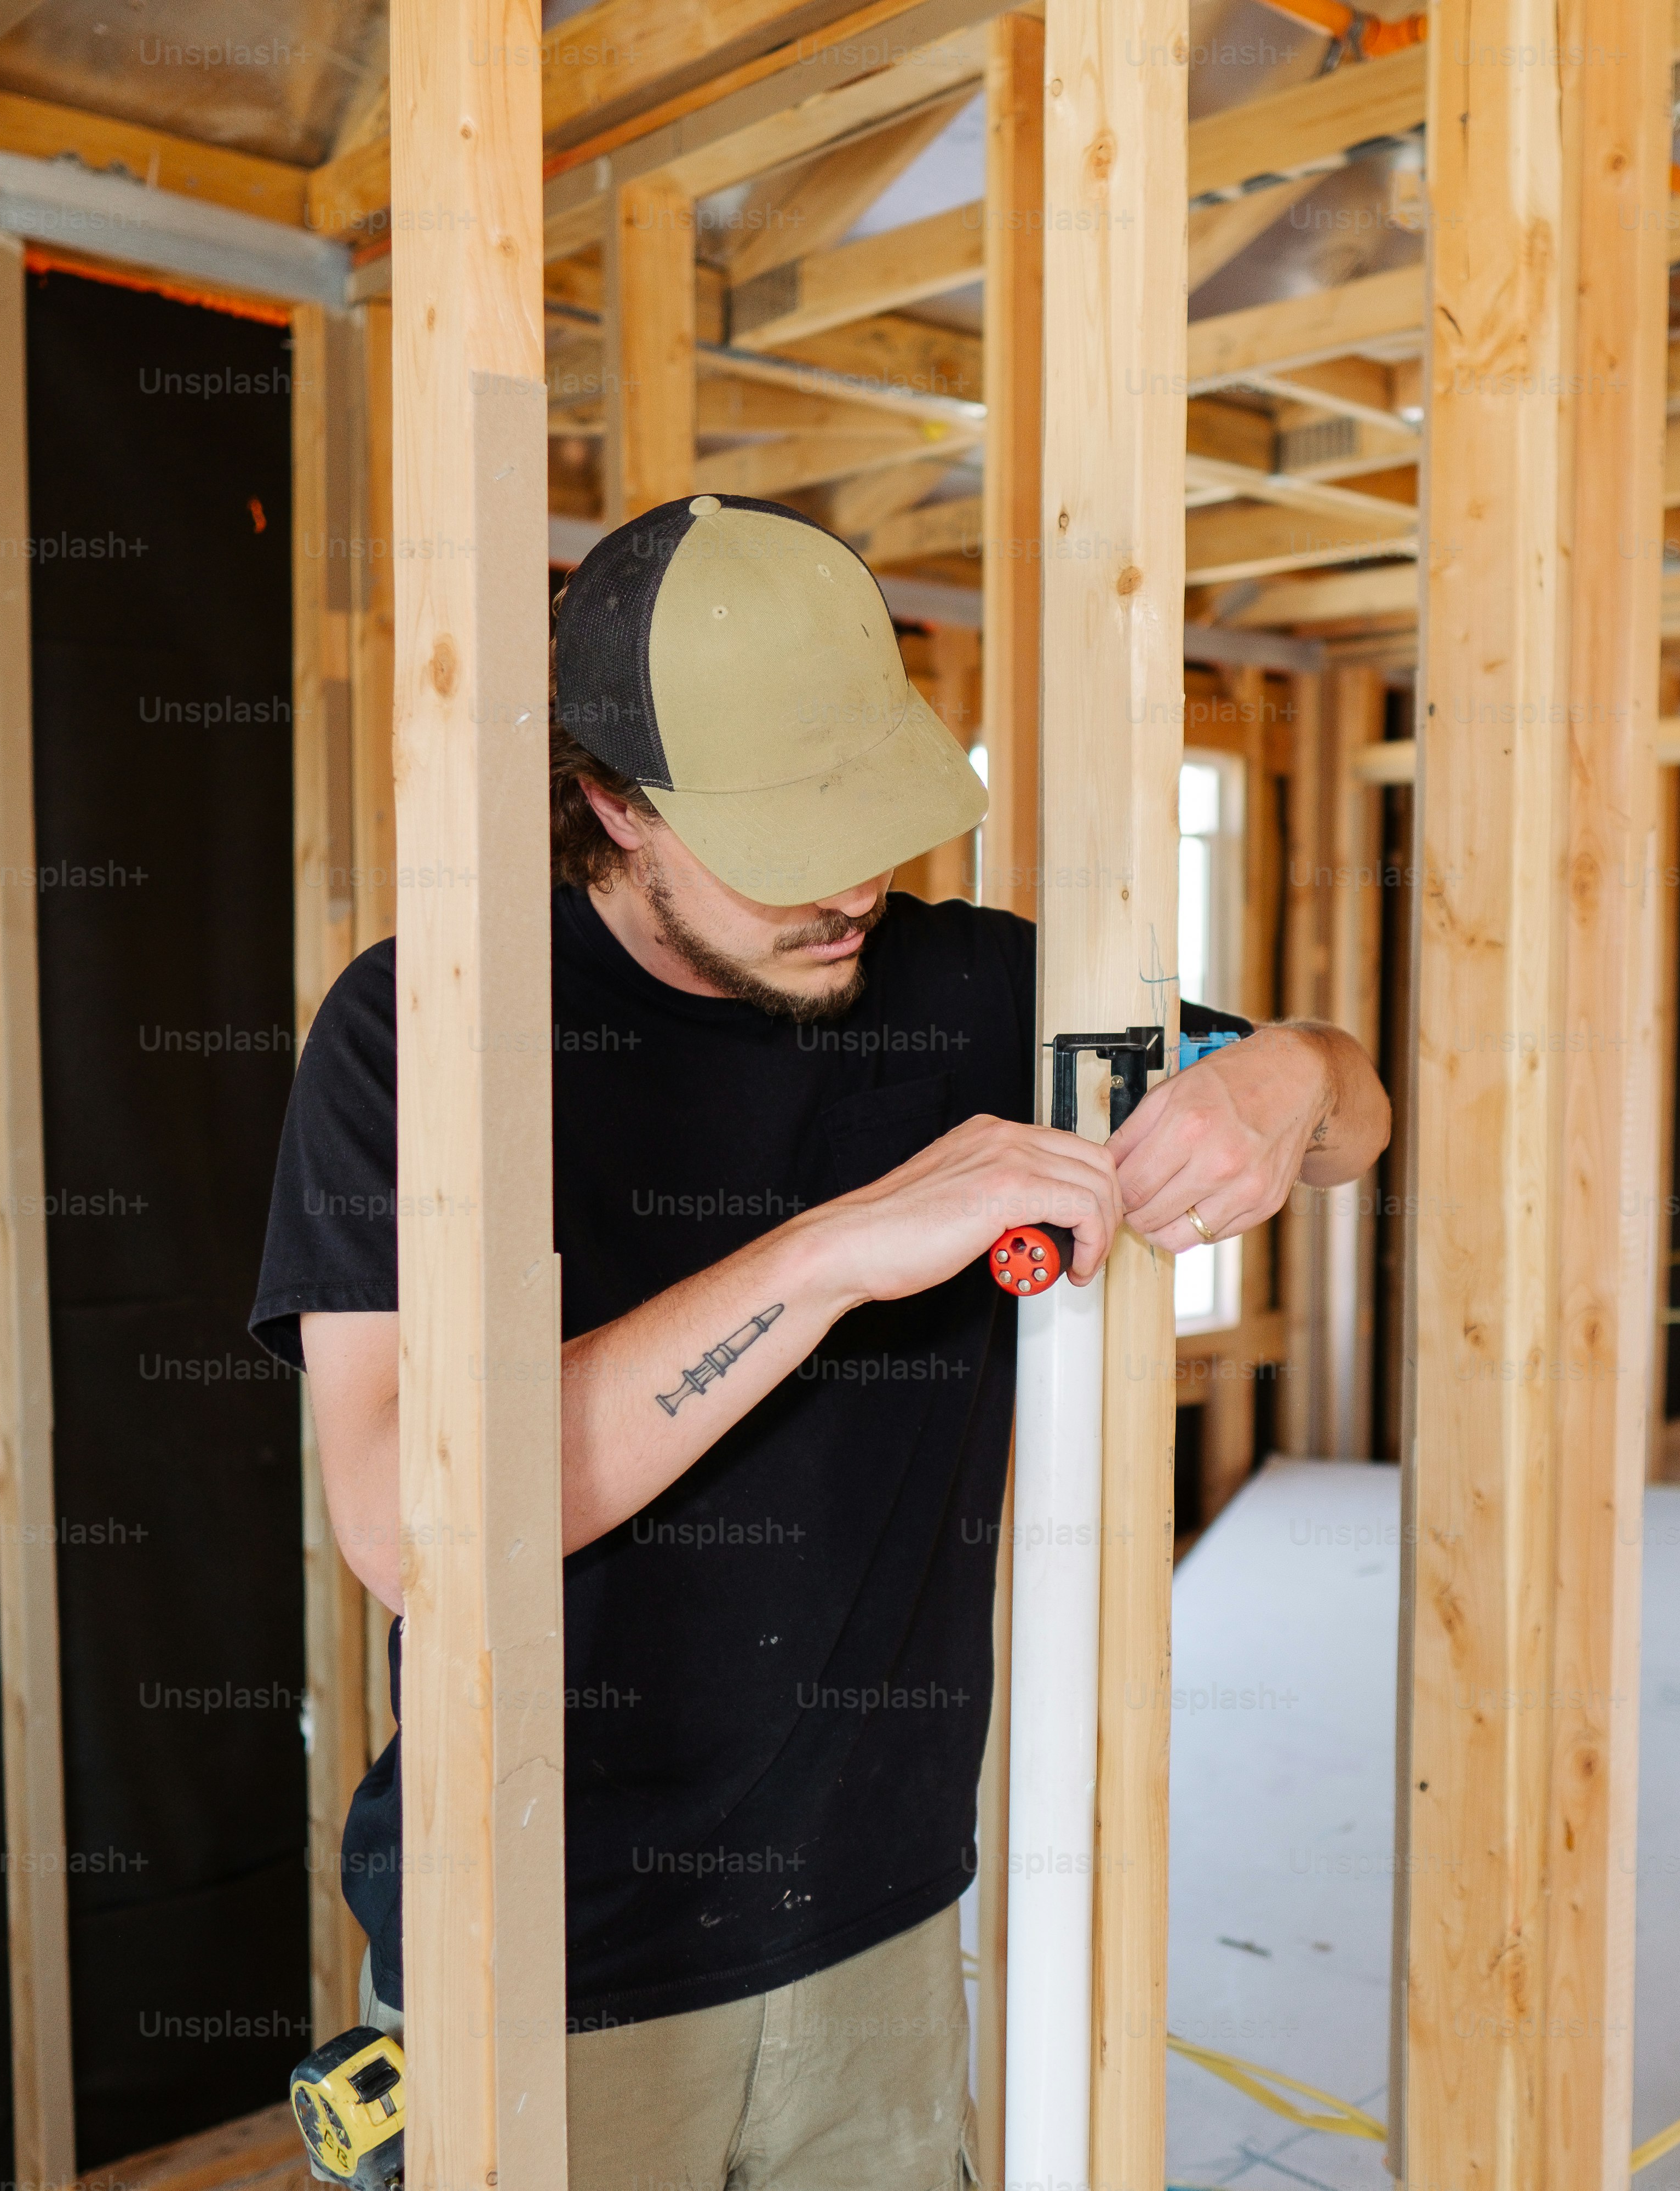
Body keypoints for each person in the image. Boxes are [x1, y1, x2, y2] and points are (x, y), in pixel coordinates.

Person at [249, 492, 1387, 2191]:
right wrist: (847, 1247)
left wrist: (1286, 1074)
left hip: (883, 1936)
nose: (854, 884)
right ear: (610, 805)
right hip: (553, 1967)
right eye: (790, 842)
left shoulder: (980, 991)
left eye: (873, 818)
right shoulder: (424, 1035)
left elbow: (1350, 1113)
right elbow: (418, 1531)